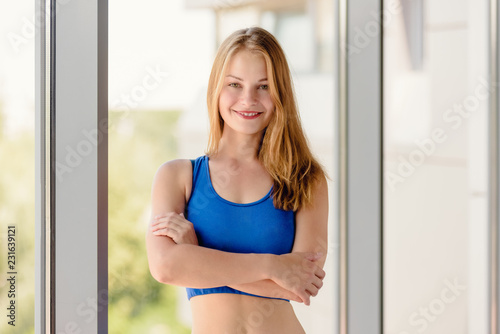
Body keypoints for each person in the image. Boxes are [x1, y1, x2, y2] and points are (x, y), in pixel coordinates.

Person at [146, 26, 329, 334]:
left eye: (263, 86)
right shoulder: (177, 177)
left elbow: (299, 286)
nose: (248, 99)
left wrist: (197, 255)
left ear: (280, 94)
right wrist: (272, 267)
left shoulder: (306, 179)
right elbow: (166, 268)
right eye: (234, 84)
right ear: (216, 89)